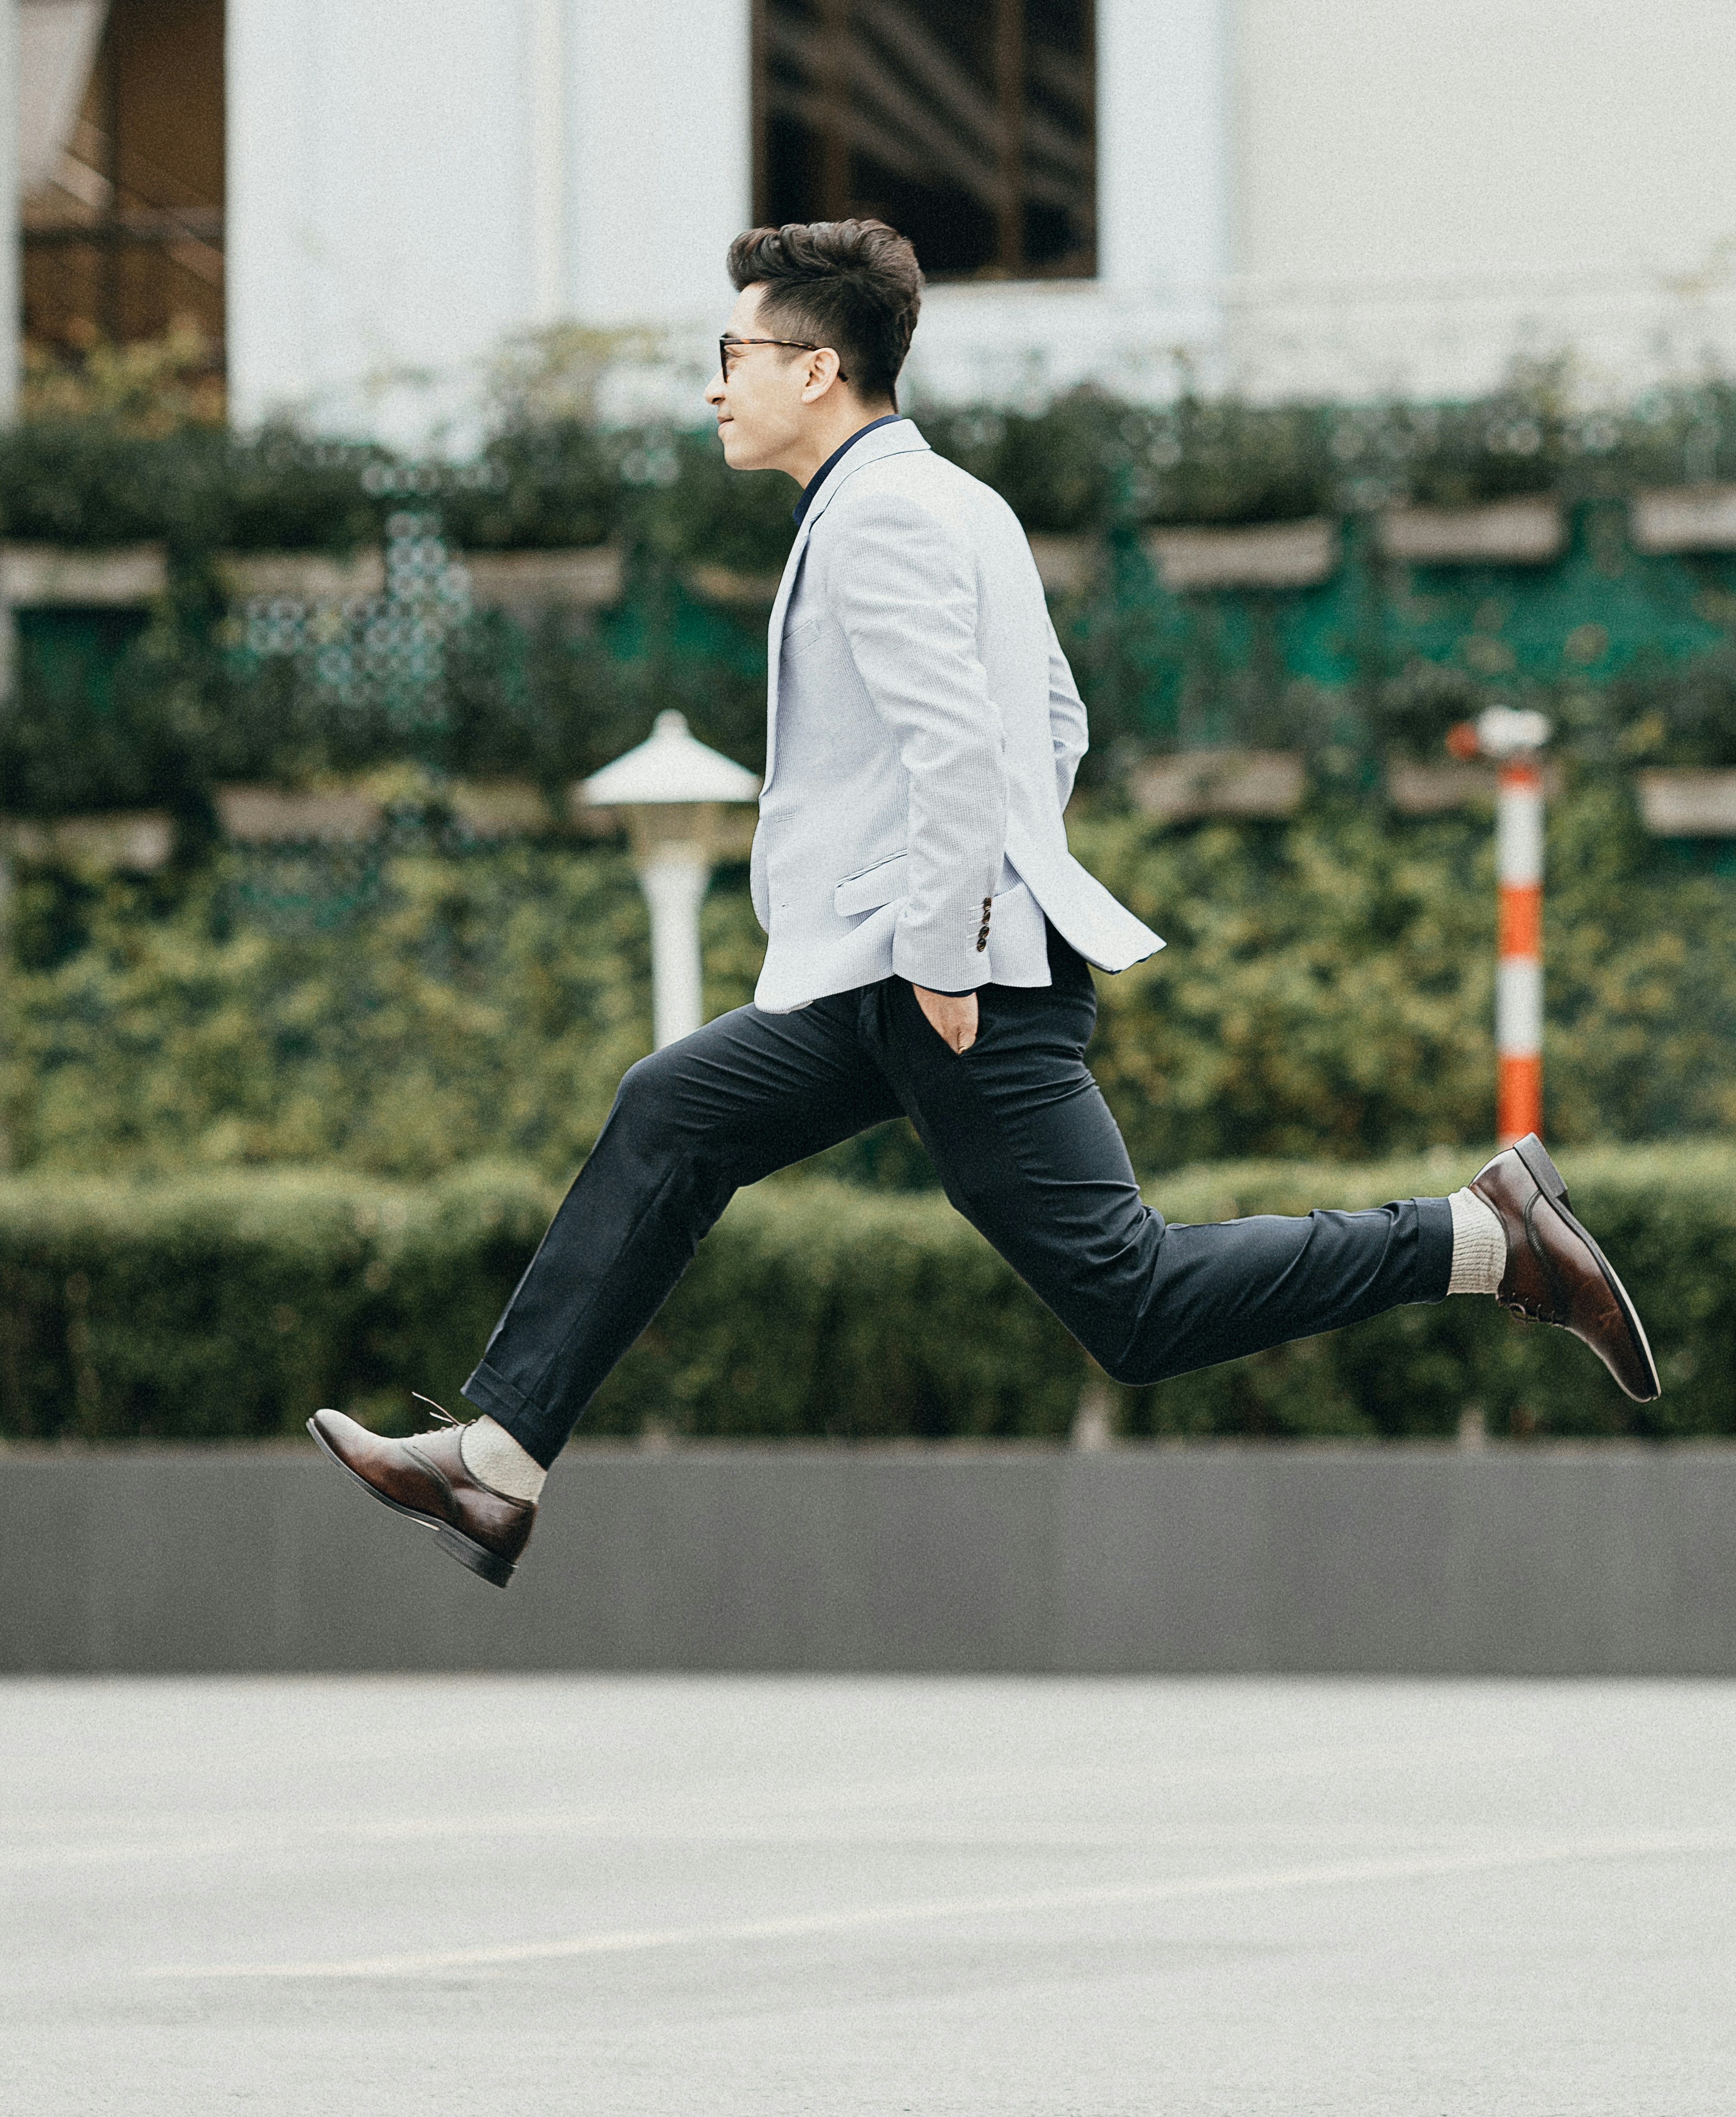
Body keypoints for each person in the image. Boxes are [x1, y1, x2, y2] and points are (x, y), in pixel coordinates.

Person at [309, 218, 1657, 1587]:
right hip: (896, 969)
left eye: (735, 354)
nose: (717, 385)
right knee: (673, 1106)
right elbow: (1051, 724)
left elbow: (960, 744)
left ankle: (1485, 1238)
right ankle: (496, 1466)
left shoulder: (882, 517)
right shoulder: (954, 500)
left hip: (949, 984)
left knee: (1134, 1302)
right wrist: (968, 892)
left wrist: (954, 939)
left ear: (818, 366)